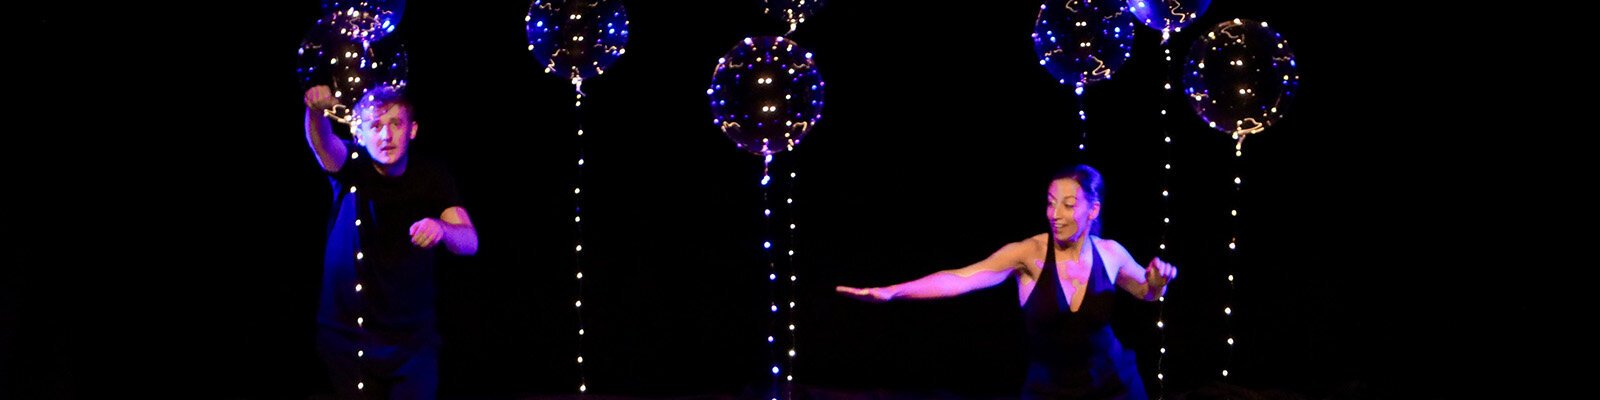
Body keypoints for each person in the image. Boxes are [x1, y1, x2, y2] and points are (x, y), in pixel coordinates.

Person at [836, 164, 1175, 400]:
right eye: (1050, 203)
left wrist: (1158, 282)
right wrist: (893, 292)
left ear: (1093, 210)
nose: (1054, 214)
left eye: (1068, 205)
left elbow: (1147, 292)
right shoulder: (1028, 254)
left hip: (1115, 387)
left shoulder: (1111, 253)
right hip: (1048, 391)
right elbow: (960, 279)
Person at [303, 83, 478, 399]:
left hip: (411, 342)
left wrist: (442, 228)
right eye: (375, 126)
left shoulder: (431, 176)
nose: (386, 135)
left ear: (413, 130)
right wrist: (315, 113)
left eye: (396, 124)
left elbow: (469, 241)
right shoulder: (350, 164)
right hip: (346, 338)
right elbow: (322, 144)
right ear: (359, 133)